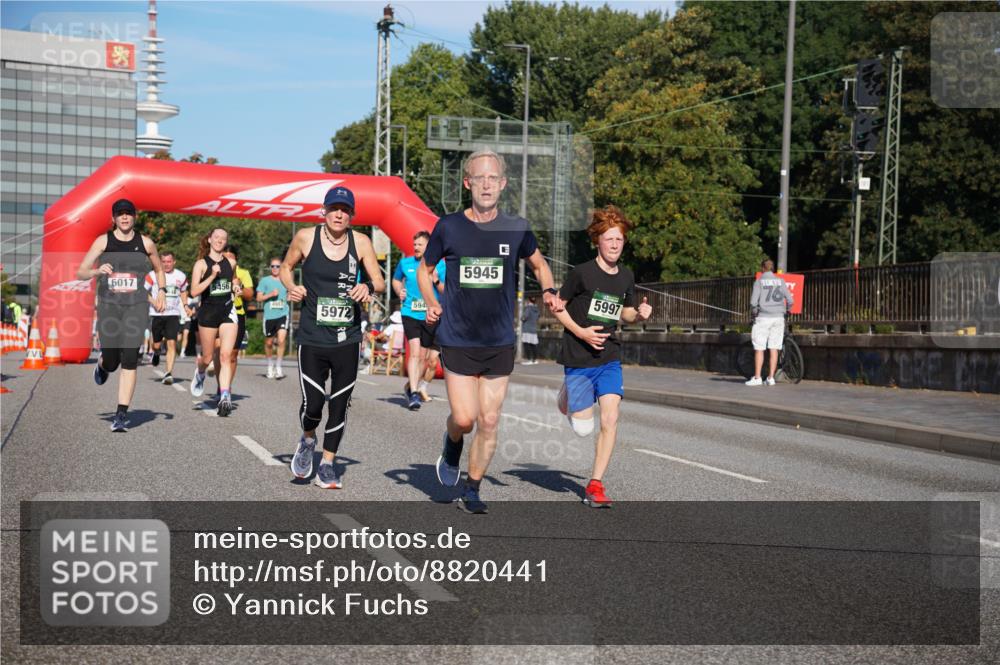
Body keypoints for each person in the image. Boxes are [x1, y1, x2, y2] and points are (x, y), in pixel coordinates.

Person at [418, 149, 559, 514]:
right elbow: (424, 269)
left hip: (498, 340)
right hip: (458, 337)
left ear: (503, 184)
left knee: (491, 419)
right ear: (467, 183)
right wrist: (432, 300)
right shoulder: (448, 226)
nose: (486, 184)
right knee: (464, 419)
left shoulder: (516, 227)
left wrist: (548, 291)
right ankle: (452, 444)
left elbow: (540, 265)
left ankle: (473, 487)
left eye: (492, 178)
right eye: (478, 178)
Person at [551, 205, 652, 508]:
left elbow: (626, 312)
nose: (614, 245)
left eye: (619, 240)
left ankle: (595, 485)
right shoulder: (581, 273)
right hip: (579, 355)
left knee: (610, 418)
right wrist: (581, 332)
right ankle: (566, 395)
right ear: (598, 240)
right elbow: (558, 307)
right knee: (583, 428)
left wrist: (639, 314)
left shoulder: (626, 276)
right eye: (609, 239)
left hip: (609, 355)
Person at [284, 186, 384, 489]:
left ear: (351, 215)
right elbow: (286, 267)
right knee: (313, 405)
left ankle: (327, 464)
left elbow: (379, 279)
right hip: (313, 336)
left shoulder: (361, 242)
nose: (339, 214)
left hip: (347, 337)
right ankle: (307, 439)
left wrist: (368, 287)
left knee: (339, 405)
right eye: (334, 209)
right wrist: (292, 286)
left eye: (345, 210)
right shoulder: (306, 237)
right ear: (324, 211)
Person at [76, 198, 166, 432]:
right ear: (113, 218)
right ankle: (104, 365)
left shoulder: (145, 243)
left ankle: (121, 414)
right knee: (113, 360)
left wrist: (162, 291)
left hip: (136, 305)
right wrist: (97, 270)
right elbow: (81, 272)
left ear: (135, 217)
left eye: (128, 213)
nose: (125, 217)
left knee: (129, 359)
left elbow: (158, 269)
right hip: (109, 305)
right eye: (120, 214)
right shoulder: (103, 241)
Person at [392, 232, 447, 409]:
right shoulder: (405, 263)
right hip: (410, 313)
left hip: (431, 315)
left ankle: (414, 386)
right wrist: (399, 290)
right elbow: (395, 280)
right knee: (415, 353)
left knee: (427, 358)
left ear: (429, 246)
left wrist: (437, 280)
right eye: (414, 244)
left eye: (420, 244)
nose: (415, 247)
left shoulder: (440, 265)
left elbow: (447, 292)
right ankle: (414, 393)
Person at [188, 228, 239, 416]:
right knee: (208, 358)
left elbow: (234, 280)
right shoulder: (200, 265)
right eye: (216, 237)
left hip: (227, 310)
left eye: (223, 238)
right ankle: (200, 372)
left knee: (225, 355)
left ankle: (225, 396)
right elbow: (194, 292)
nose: (219, 240)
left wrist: (236, 286)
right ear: (209, 240)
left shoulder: (231, 262)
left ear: (225, 242)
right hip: (208, 313)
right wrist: (211, 276)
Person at [747, 258, 794, 386]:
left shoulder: (759, 281)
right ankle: (771, 378)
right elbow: (790, 300)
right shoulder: (780, 281)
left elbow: (753, 303)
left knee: (759, 348)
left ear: (762, 268)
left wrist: (754, 313)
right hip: (778, 318)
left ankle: (757, 378)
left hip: (763, 317)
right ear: (772, 268)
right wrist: (787, 311)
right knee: (774, 348)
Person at [144, 250, 187, 385]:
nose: (166, 264)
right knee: (156, 345)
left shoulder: (180, 276)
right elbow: (142, 291)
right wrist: (154, 302)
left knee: (171, 342)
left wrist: (185, 305)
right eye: (163, 262)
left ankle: (168, 373)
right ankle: (156, 353)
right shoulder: (152, 275)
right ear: (159, 262)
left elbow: (184, 290)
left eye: (169, 262)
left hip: (173, 314)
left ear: (174, 262)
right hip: (157, 314)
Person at [223, 244, 254, 389]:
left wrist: (239, 288)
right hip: (219, 313)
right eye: (225, 256)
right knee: (220, 353)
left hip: (237, 314)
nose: (228, 259)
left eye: (231, 257)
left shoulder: (243, 273)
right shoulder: (215, 271)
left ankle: (226, 388)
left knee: (233, 354)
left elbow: (249, 295)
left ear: (236, 259)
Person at [256, 256, 290, 379]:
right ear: (270, 268)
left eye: (277, 266)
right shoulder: (264, 281)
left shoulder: (286, 280)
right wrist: (270, 294)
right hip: (269, 316)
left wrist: (290, 296)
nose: (275, 268)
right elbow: (258, 298)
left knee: (281, 340)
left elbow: (290, 293)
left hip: (283, 313)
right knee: (269, 342)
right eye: (273, 266)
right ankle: (270, 365)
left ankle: (279, 366)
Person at [520, 296, 540, 365]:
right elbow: (538, 317)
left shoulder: (528, 308)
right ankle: (535, 359)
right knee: (533, 344)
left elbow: (524, 317)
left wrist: (522, 318)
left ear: (529, 300)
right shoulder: (537, 309)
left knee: (526, 344)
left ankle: (529, 359)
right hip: (534, 329)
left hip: (527, 329)